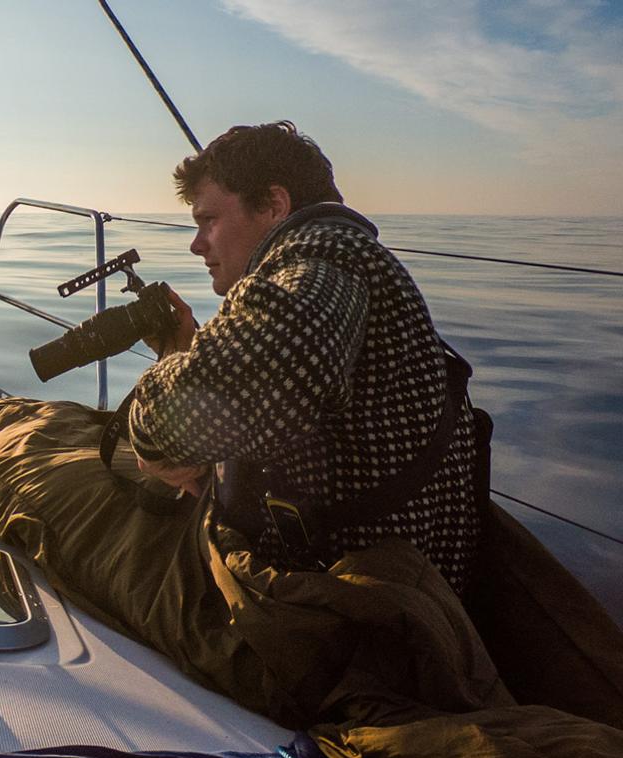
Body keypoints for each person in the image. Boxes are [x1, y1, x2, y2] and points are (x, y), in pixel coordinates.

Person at [128, 121, 483, 594]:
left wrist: (159, 424)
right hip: (369, 582)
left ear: (274, 205)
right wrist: (184, 354)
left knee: (36, 470)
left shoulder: (320, 267)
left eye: (208, 220)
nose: (197, 244)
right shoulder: (350, 258)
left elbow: (168, 427)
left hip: (335, 612)